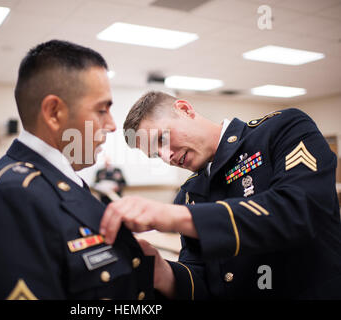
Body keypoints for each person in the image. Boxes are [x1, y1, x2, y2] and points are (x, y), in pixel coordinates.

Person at [0, 40, 154, 300]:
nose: (112, 125)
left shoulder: (59, 180)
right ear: (54, 112)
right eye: (101, 110)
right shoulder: (14, 198)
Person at [99, 90, 341, 299]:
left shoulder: (282, 130)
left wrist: (177, 217)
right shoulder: (188, 194)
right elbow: (203, 281)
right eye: (155, 155)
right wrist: (162, 271)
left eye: (162, 139)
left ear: (184, 109)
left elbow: (297, 211)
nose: (166, 157)